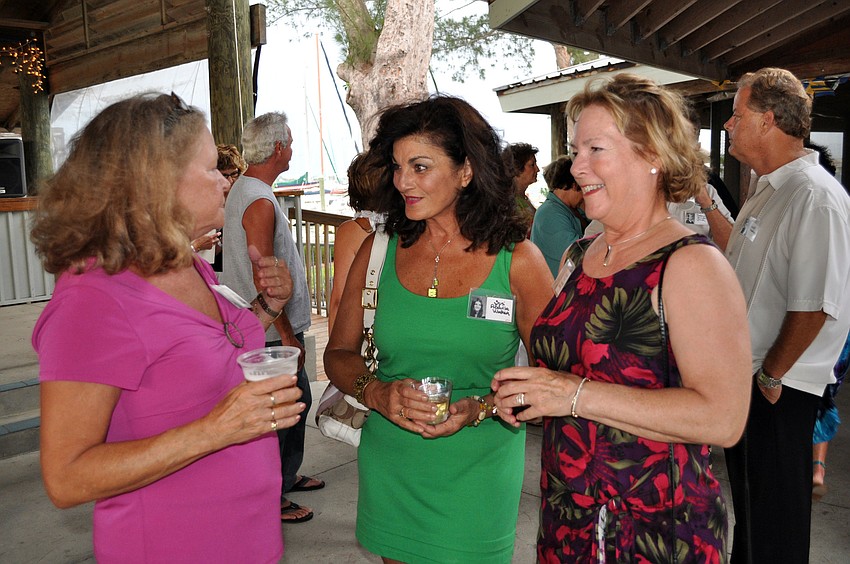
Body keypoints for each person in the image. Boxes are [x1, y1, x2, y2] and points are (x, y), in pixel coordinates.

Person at [29, 93, 303, 562]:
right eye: (214, 168)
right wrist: (216, 430)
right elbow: (66, 477)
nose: (225, 182)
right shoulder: (92, 301)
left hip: (247, 539)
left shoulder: (183, 263)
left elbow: (198, 352)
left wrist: (265, 306)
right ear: (160, 182)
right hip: (168, 545)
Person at [491, 73, 752, 562]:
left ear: (653, 155)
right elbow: (577, 370)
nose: (577, 165)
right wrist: (539, 391)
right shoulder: (580, 252)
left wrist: (574, 395)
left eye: (596, 149)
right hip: (569, 515)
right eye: (575, 149)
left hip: (654, 528)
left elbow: (724, 418)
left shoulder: (690, 263)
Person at [324, 95, 553, 563]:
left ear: (465, 171)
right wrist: (377, 393)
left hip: (479, 473)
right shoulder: (378, 252)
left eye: (420, 166)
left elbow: (554, 382)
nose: (403, 181)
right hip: (393, 466)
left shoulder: (518, 262)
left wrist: (480, 407)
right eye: (397, 166)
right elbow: (338, 354)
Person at [722, 67, 850, 563]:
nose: (729, 125)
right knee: (754, 517)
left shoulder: (813, 196)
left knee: (775, 524)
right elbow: (737, 250)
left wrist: (772, 374)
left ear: (768, 119)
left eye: (736, 115)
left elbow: (816, 305)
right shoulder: (770, 187)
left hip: (780, 388)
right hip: (755, 378)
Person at [221, 112, 322, 524]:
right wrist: (288, 335)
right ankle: (275, 493)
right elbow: (266, 274)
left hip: (262, 328)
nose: (293, 150)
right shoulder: (259, 199)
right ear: (278, 148)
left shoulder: (247, 190)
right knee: (285, 408)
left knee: (294, 403)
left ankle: (287, 475)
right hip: (269, 333)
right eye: (291, 143)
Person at [327, 150, 389, 333]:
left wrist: (333, 347)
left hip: (364, 325)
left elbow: (339, 296)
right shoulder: (409, 228)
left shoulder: (350, 232)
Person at [530, 155, 587, 276]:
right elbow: (578, 253)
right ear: (574, 185)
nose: (584, 196)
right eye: (584, 188)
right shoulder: (550, 214)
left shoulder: (568, 210)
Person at [210, 144, 248, 272]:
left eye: (234, 174)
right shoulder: (207, 204)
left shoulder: (244, 200)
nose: (230, 181)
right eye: (225, 175)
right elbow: (210, 254)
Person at [502, 142, 539, 231]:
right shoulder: (507, 204)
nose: (537, 169)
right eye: (532, 165)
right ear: (516, 168)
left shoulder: (522, 199)